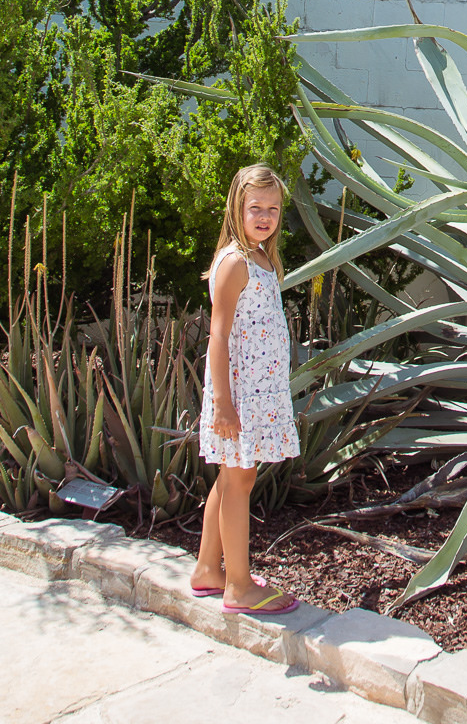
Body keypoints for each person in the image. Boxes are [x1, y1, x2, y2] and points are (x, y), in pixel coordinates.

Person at [190, 163, 301, 613]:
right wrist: (222, 403)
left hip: (257, 393)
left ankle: (207, 570)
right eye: (255, 207)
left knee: (232, 475)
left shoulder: (261, 258)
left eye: (272, 208)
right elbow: (217, 337)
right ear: (237, 207)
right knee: (239, 480)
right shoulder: (236, 262)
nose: (264, 216)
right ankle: (238, 586)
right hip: (238, 396)